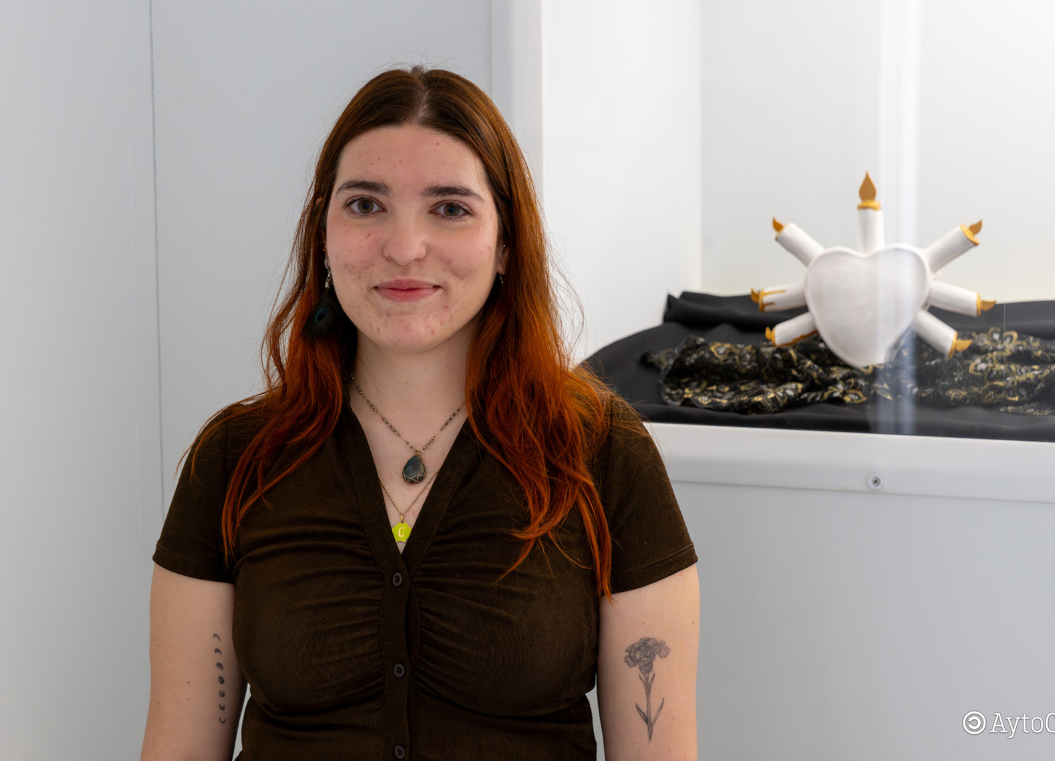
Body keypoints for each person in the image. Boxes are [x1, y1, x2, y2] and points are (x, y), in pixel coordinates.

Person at [140, 67, 699, 761]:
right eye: (365, 205)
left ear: (505, 243)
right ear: (322, 234)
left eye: (450, 208)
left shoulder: (602, 452)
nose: (404, 247)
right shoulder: (234, 459)